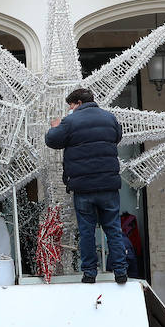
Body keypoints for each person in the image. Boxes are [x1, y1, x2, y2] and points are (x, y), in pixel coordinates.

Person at [44, 87, 128, 284]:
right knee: (113, 229)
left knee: (86, 230)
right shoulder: (109, 118)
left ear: (78, 103)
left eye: (71, 105)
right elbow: (117, 137)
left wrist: (55, 127)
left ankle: (90, 273)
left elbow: (52, 141)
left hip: (83, 188)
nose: (70, 109)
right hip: (108, 185)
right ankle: (121, 271)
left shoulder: (70, 122)